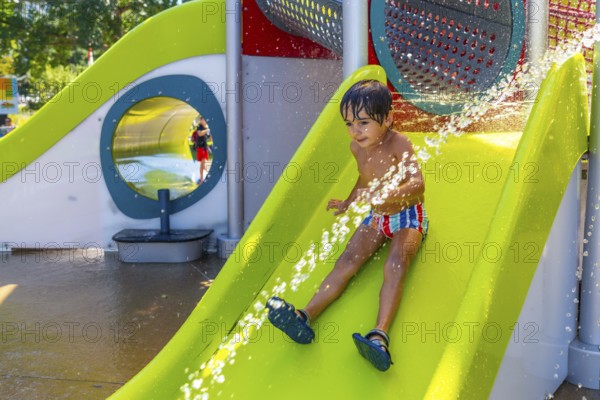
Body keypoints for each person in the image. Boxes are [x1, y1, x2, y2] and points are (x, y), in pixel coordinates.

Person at [266, 80, 428, 371]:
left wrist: (385, 193)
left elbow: (418, 185)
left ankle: (379, 335)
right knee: (347, 261)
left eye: (364, 122)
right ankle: (304, 317)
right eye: (349, 123)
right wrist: (348, 203)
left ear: (388, 118)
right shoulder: (357, 147)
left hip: (407, 215)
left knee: (394, 266)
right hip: (377, 217)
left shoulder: (399, 143)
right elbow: (364, 177)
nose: (355, 130)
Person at [191, 116, 211, 184]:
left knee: (205, 164)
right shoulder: (200, 126)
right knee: (203, 163)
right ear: (201, 120)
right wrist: (207, 130)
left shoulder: (206, 127)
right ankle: (202, 179)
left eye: (205, 120)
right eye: (203, 120)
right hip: (200, 147)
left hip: (205, 147)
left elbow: (209, 138)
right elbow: (200, 133)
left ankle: (205, 177)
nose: (205, 121)